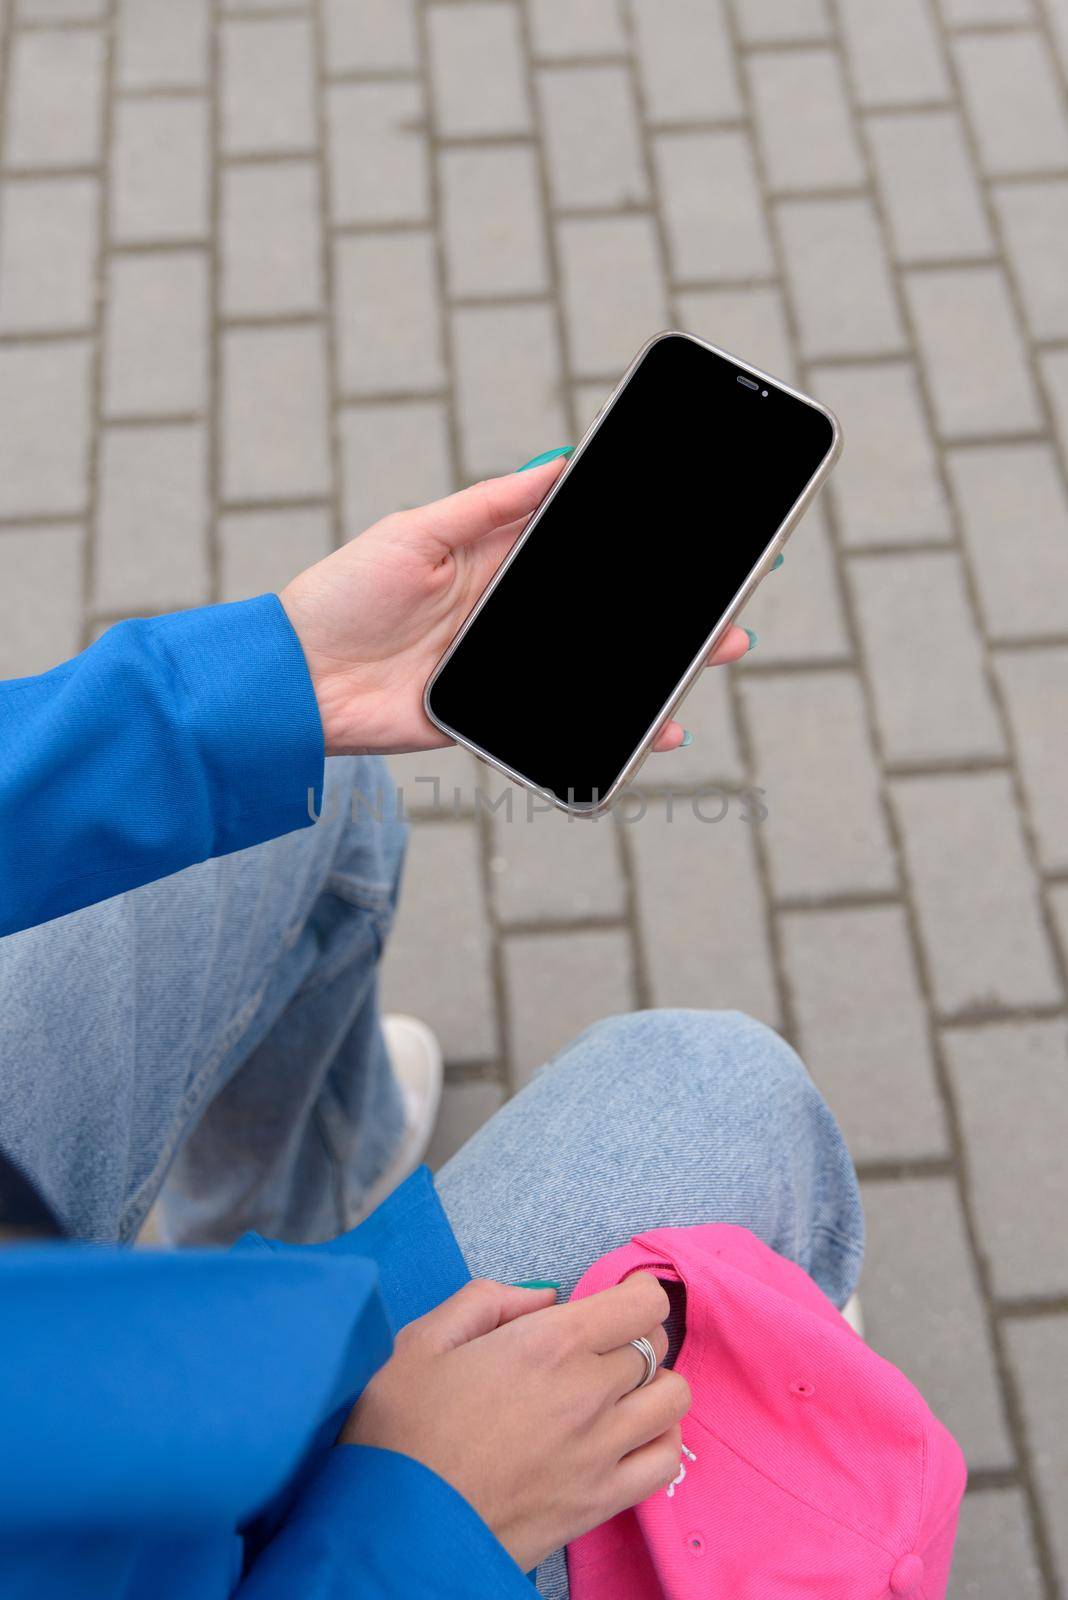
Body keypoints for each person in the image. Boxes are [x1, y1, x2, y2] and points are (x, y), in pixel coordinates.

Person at [0, 454, 862, 1597]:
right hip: (184, 1527)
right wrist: (425, 1517)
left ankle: (282, 1204)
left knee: (297, 780)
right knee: (724, 1103)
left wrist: (274, 675)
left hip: (72, 1342)